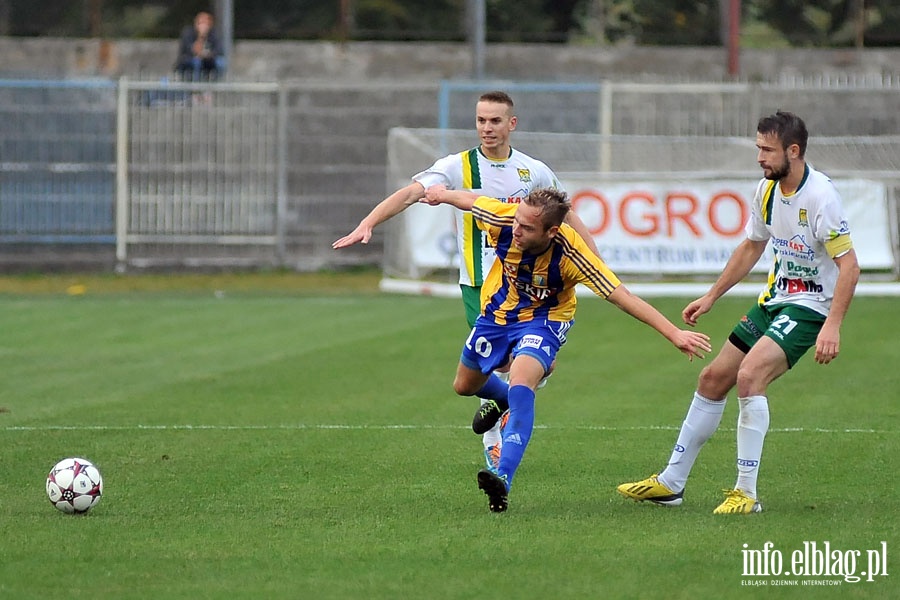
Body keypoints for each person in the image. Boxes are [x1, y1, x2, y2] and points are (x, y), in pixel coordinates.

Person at [333, 91, 601, 477]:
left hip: (530, 285)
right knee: (500, 364)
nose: (486, 128)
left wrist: (595, 260)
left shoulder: (533, 171)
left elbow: (568, 215)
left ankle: (500, 412)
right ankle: (495, 439)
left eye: (494, 121)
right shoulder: (457, 166)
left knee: (539, 363)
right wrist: (369, 222)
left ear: (512, 124)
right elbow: (413, 193)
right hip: (481, 285)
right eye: (480, 121)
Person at [617, 111, 860, 515]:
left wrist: (833, 325)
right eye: (759, 148)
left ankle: (746, 492)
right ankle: (671, 483)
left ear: (793, 151)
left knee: (750, 376)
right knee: (713, 378)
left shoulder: (821, 197)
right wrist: (712, 296)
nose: (760, 157)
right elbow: (752, 246)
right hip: (774, 301)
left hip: (811, 309)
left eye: (767, 149)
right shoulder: (765, 191)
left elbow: (849, 266)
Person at [420, 185, 713, 512]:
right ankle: (500, 399)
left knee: (522, 385)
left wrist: (674, 333)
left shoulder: (572, 255)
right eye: (517, 222)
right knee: (464, 386)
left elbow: (624, 297)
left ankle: (502, 477)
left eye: (527, 228)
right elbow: (471, 201)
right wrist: (441, 193)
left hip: (546, 320)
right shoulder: (504, 220)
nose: (517, 230)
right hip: (500, 313)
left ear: (552, 231)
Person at [174, 11, 225, 81]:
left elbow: (219, 50)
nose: (203, 26)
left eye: (206, 23)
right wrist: (201, 37)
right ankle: (196, 87)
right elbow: (191, 50)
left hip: (208, 60)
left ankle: (215, 86)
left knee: (221, 62)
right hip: (189, 60)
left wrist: (209, 55)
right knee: (197, 62)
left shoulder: (214, 34)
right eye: (201, 23)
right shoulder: (188, 33)